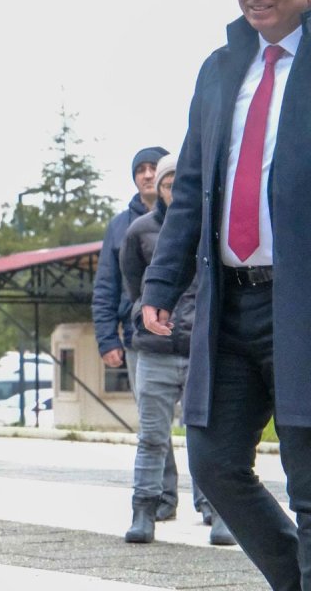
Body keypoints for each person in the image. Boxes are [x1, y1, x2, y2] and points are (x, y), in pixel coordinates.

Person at [143, 0, 311, 587]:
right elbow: (190, 186)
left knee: (309, 484)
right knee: (214, 464)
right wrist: (162, 281)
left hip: (302, 307)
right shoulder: (219, 71)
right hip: (229, 306)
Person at [120, 155, 233, 546]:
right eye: (166, 184)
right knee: (152, 437)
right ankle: (144, 510)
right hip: (155, 350)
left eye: (177, 183)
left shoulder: (211, 228)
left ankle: (218, 511)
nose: (171, 189)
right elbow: (133, 286)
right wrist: (145, 317)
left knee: (207, 437)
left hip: (202, 348)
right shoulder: (138, 231)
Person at [92, 145, 180, 521]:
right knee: (153, 424)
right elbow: (108, 285)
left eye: (152, 168)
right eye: (140, 169)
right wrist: (107, 338)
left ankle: (210, 503)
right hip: (138, 339)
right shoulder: (120, 227)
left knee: (199, 422)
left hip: (189, 335)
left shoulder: (190, 217)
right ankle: (163, 497)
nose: (146, 174)